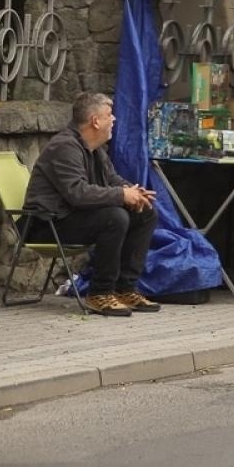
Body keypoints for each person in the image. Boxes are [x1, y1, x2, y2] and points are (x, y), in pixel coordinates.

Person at [23, 93, 160, 316]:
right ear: (95, 121)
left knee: (146, 213)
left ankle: (124, 289)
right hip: (46, 225)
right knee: (115, 217)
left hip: (70, 218)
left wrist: (133, 193)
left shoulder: (95, 149)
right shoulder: (64, 146)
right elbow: (77, 193)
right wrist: (121, 195)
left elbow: (113, 180)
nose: (114, 119)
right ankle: (100, 293)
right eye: (109, 115)